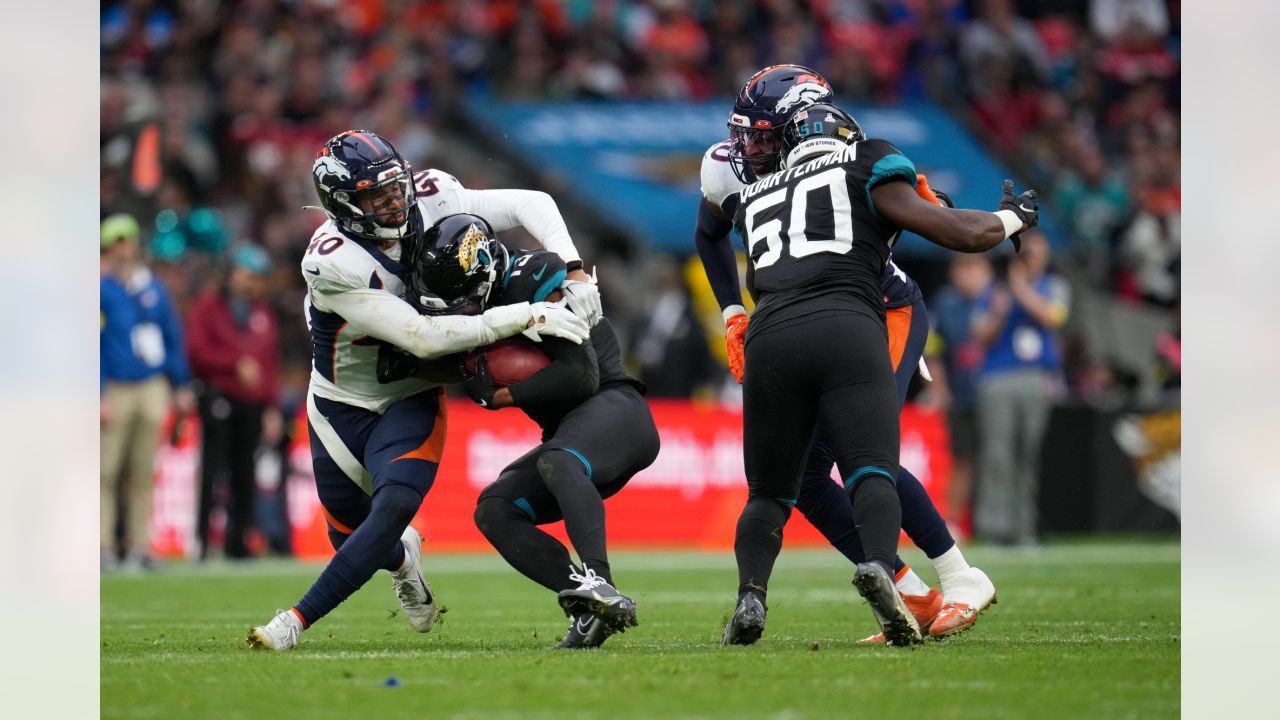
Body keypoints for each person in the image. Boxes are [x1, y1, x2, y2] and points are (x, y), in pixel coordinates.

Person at [247, 130, 596, 651]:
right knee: (349, 536)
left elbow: (532, 203)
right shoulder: (333, 261)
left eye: (394, 185)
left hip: (411, 392)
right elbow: (422, 335)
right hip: (341, 404)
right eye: (376, 195)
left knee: (392, 509)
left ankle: (295, 620)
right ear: (344, 206)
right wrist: (525, 314)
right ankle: (403, 561)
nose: (394, 200)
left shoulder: (434, 194)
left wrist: (572, 269)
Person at [696, 65, 1000, 643]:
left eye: (763, 135)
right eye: (746, 134)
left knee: (854, 442)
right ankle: (909, 593)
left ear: (798, 126)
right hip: (809, 317)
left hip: (880, 305)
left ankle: (962, 576)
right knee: (805, 477)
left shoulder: (848, 155)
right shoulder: (731, 170)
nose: (748, 148)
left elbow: (925, 213)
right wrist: (733, 311)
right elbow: (708, 234)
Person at [380, 213, 659, 649]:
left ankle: (600, 581)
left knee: (557, 459)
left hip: (616, 409)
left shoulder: (535, 277)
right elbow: (468, 359)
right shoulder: (479, 298)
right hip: (569, 434)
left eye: (464, 296)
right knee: (495, 508)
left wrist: (500, 396)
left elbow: (580, 377)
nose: (461, 309)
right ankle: (589, 607)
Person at [100, 213, 195, 572]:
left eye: (128, 240)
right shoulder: (102, 290)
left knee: (143, 470)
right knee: (106, 471)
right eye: (117, 243)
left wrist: (180, 383)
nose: (125, 248)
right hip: (116, 386)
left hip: (152, 384)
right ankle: (104, 545)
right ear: (109, 249)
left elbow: (171, 338)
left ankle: (139, 545)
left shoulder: (151, 288)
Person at [971, 230, 1067, 546]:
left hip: (1036, 377)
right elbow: (980, 336)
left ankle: (1024, 528)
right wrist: (1000, 308)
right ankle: (995, 528)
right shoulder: (994, 291)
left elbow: (1053, 317)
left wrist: (1020, 286)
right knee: (998, 454)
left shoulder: (1052, 286)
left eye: (1035, 255)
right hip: (998, 378)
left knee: (1028, 454)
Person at [186, 244, 281, 560]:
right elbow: (197, 351)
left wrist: (271, 406)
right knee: (212, 472)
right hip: (218, 396)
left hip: (252, 404)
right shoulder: (209, 306)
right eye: (247, 274)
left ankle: (236, 542)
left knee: (244, 474)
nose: (251, 282)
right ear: (232, 273)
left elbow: (269, 364)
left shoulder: (262, 313)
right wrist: (234, 362)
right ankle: (201, 541)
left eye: (257, 276)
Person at [926, 253, 996, 542]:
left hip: (994, 392)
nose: (969, 274)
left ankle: (995, 522)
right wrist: (939, 387)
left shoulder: (998, 299)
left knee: (997, 458)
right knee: (962, 458)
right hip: (962, 394)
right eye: (963, 267)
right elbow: (932, 348)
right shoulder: (945, 303)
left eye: (975, 267)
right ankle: (953, 524)